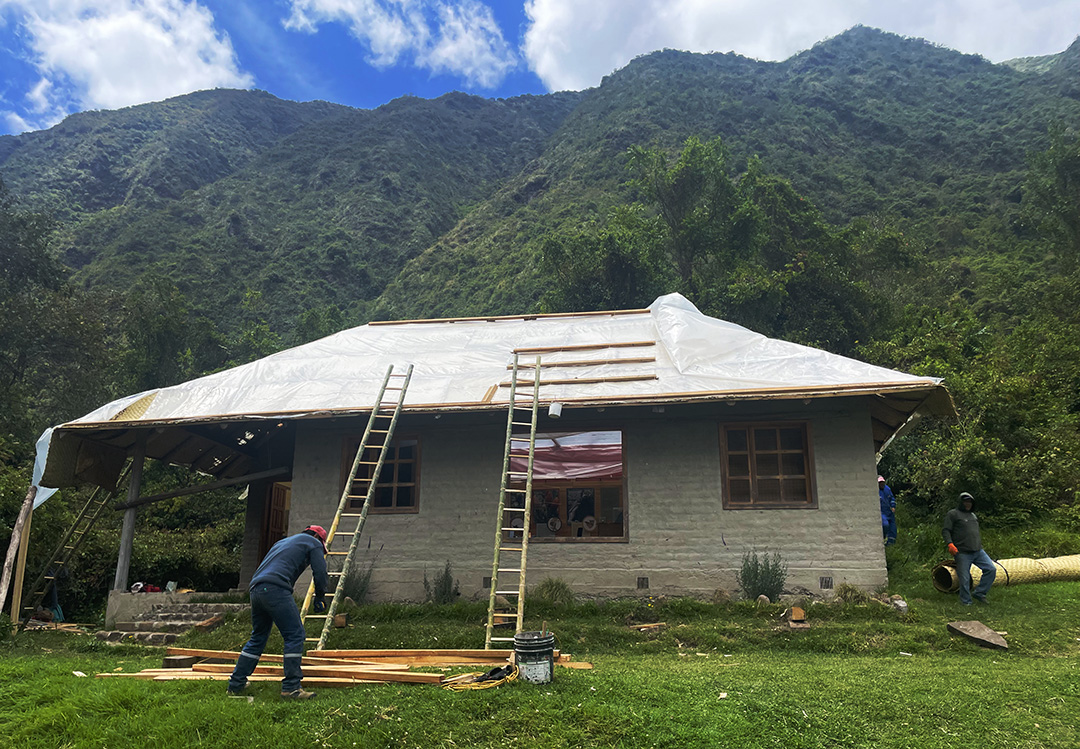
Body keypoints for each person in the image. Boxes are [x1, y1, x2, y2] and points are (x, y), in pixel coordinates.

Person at [228, 525, 330, 699]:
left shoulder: (282, 542)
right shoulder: (314, 542)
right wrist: (320, 596)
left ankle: (236, 684)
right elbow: (320, 572)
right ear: (316, 536)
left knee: (258, 637)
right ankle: (291, 687)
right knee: (295, 634)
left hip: (256, 589)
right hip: (276, 588)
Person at [942, 492, 996, 605]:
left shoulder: (973, 516)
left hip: (978, 550)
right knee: (965, 579)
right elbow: (946, 530)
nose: (968, 504)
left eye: (969, 502)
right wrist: (950, 544)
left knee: (991, 569)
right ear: (960, 502)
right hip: (962, 552)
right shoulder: (953, 514)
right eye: (965, 501)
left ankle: (980, 593)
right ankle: (966, 602)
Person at [878, 476, 897, 545]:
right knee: (885, 525)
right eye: (880, 483)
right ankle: (883, 537)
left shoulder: (887, 489)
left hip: (889, 511)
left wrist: (893, 506)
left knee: (893, 528)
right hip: (882, 512)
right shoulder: (876, 490)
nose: (882, 484)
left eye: (883, 482)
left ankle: (891, 543)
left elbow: (892, 498)